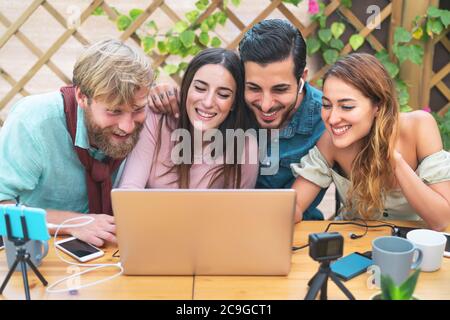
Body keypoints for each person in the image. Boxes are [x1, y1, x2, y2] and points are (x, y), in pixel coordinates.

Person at [146, 19, 326, 219]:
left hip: (297, 230)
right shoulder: (229, 104)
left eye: (280, 89)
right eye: (254, 88)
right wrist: (165, 94)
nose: (266, 105)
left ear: (302, 77)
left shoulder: (327, 118)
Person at [0, 39, 154, 246]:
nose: (127, 127)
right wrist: (72, 223)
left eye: (137, 109)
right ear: (82, 96)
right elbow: (2, 208)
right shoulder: (33, 121)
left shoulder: (152, 118)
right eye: (114, 111)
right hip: (41, 253)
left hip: (115, 254)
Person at [291, 53, 450, 231]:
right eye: (327, 105)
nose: (333, 119)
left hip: (415, 246)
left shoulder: (418, 126)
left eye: (347, 106)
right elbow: (294, 207)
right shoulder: (330, 142)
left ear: (378, 106)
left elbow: (441, 220)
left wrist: (395, 161)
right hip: (355, 243)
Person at [118, 48, 259, 189]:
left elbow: (240, 209)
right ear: (186, 88)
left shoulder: (245, 147)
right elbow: (129, 191)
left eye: (223, 94)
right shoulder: (157, 118)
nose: (208, 103)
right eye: (200, 88)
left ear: (233, 102)